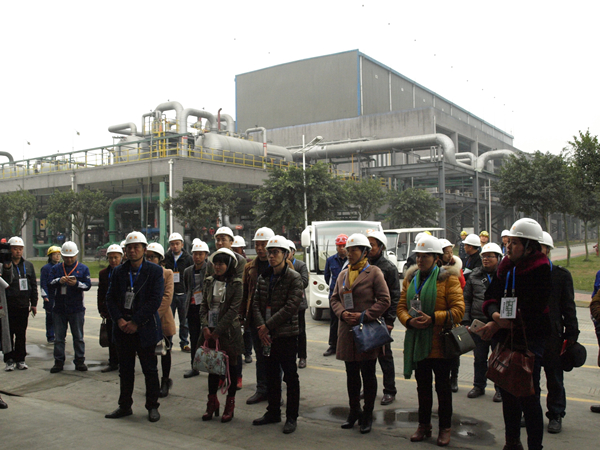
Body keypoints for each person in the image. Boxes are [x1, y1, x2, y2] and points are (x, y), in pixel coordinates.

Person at [479, 218, 551, 450]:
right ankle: (512, 443)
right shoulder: (505, 268)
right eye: (508, 242)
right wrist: (495, 315)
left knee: (528, 396)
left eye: (515, 243)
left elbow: (533, 310)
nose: (508, 247)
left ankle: (535, 446)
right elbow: (491, 297)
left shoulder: (541, 270)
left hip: (529, 342)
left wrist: (498, 324)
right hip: (506, 339)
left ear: (529, 247)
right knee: (508, 393)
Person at [398, 235, 464, 447]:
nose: (420, 260)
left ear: (436, 258)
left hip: (441, 345)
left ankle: (445, 428)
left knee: (443, 390)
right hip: (418, 343)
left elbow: (459, 310)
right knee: (423, 388)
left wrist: (433, 318)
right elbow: (401, 307)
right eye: (418, 256)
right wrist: (409, 321)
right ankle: (423, 425)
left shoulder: (448, 279)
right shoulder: (410, 280)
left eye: (425, 256)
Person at [330, 233, 391, 434]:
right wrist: (342, 313)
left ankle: (367, 414)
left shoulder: (374, 273)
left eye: (354, 249)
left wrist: (364, 315)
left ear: (365, 252)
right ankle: (353, 411)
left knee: (368, 374)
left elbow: (385, 300)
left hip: (367, 332)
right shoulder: (343, 274)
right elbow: (334, 299)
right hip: (347, 331)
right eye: (348, 250)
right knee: (351, 375)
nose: (349, 253)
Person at [105, 231, 164, 423]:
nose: (132, 251)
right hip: (123, 329)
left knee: (150, 370)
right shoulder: (118, 272)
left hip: (144, 328)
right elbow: (110, 298)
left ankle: (152, 406)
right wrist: (119, 320)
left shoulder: (154, 271)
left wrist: (136, 322)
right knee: (125, 370)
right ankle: (124, 406)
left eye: (136, 247)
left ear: (144, 249)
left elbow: (155, 300)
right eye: (129, 248)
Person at [252, 235, 303, 434]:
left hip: (286, 335)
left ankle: (291, 417)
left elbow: (291, 307)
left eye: (275, 252)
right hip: (267, 335)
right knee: (271, 375)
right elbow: (256, 303)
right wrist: (262, 328)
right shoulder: (264, 277)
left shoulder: (294, 278)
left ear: (285, 254)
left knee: (290, 377)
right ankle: (273, 412)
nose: (271, 256)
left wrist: (267, 326)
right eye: (269, 253)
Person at [539, 232, 579, 433]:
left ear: (547, 250)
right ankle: (530, 411)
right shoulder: (522, 275)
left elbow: (568, 307)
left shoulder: (561, 275)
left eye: (539, 247)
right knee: (529, 376)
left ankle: (556, 414)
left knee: (554, 377)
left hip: (553, 336)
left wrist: (571, 334)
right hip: (529, 334)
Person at [199, 248, 244, 422]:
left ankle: (229, 405)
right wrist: (205, 326)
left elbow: (233, 310)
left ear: (229, 265)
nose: (217, 267)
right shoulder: (209, 281)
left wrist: (218, 330)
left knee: (231, 369)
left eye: (221, 264)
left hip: (229, 332)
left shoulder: (236, 284)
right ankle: (212, 402)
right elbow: (203, 305)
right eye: (215, 264)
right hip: (210, 331)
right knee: (212, 368)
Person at [462, 242, 503, 402]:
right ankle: (479, 385)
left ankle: (500, 388)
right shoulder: (474, 276)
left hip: (498, 325)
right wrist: (466, 320)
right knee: (479, 358)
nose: (486, 259)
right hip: (478, 324)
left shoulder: (504, 276)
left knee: (498, 358)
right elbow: (467, 299)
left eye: (490, 256)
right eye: (484, 256)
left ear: (498, 258)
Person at [365, 230, 400, 405]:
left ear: (381, 247)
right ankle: (368, 388)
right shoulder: (362, 265)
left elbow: (395, 296)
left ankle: (389, 390)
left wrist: (390, 320)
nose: (369, 248)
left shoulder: (388, 268)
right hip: (366, 318)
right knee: (366, 357)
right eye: (367, 245)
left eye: (372, 245)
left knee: (385, 356)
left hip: (382, 320)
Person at [47, 242, 92, 373]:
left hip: (76, 308)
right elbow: (49, 283)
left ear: (76, 255)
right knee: (59, 338)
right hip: (59, 309)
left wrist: (76, 283)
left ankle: (80, 360)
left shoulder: (83, 268)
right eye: (66, 257)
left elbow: (87, 285)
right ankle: (58, 361)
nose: (69, 259)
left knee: (78, 337)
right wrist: (59, 281)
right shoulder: (56, 269)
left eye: (71, 257)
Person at [243, 227, 275, 405]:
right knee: (260, 356)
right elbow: (245, 294)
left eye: (263, 244)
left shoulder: (283, 265)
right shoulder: (249, 268)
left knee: (275, 357)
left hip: (276, 320)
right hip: (256, 320)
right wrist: (243, 317)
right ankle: (261, 389)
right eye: (257, 244)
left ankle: (275, 391)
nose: (260, 248)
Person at [1, 236, 38, 371]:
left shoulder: (28, 266)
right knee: (8, 333)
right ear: (10, 250)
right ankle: (9, 360)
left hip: (23, 304)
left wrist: (33, 303)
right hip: (8, 305)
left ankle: (20, 359)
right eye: (15, 249)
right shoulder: (4, 265)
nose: (18, 251)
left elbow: (33, 285)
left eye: (20, 249)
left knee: (21, 334)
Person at [145, 243, 175, 398]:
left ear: (160, 259)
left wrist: (153, 315)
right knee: (149, 354)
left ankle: (165, 380)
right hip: (146, 319)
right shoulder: (143, 273)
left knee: (165, 352)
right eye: (148, 257)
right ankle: (153, 383)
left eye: (153, 257)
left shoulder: (167, 273)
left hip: (162, 319)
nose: (150, 260)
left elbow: (167, 297)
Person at [182, 240, 213, 378]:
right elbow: (187, 287)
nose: (197, 257)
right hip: (192, 308)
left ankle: (212, 366)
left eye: (201, 254)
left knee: (209, 337)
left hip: (206, 308)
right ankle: (194, 367)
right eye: (195, 254)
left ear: (206, 255)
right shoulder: (188, 271)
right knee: (194, 337)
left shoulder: (211, 269)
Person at [439, 238, 465, 394]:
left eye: (450, 252)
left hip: (452, 313)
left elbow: (462, 285)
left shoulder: (456, 268)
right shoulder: (433, 269)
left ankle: (454, 377)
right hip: (438, 315)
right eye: (446, 252)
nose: (449, 255)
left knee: (454, 347)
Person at [164, 232, 194, 352]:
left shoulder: (188, 258)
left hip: (184, 294)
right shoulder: (166, 258)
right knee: (168, 320)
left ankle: (184, 343)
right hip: (170, 294)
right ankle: (168, 343)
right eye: (172, 244)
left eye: (177, 244)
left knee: (184, 321)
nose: (175, 246)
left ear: (182, 244)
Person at [98, 244, 123, 372]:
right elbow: (101, 292)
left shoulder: (126, 272)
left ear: (121, 257)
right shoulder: (103, 274)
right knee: (111, 338)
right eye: (110, 258)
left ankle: (124, 362)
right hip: (109, 311)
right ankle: (113, 362)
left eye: (116, 257)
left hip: (123, 311)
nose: (113, 260)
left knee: (123, 339)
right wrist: (101, 309)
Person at [323, 233, 348, 357]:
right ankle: (333, 345)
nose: (341, 248)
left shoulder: (351, 260)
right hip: (334, 296)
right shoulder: (330, 260)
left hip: (348, 296)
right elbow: (327, 276)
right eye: (339, 245)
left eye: (344, 245)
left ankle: (346, 345)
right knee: (334, 321)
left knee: (347, 320)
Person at [287, 239, 309, 369]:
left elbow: (304, 282)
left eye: (288, 251)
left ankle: (302, 357)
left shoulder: (300, 265)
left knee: (300, 331)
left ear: (293, 252)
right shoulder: (279, 265)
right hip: (285, 304)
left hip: (299, 304)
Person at [40, 246, 61, 344]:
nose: (57, 256)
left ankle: (59, 335)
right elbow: (43, 283)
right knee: (50, 317)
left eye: (59, 254)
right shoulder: (46, 268)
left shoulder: (62, 267)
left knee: (59, 317)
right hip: (50, 295)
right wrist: (45, 296)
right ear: (50, 256)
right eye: (55, 254)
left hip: (59, 295)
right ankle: (50, 336)